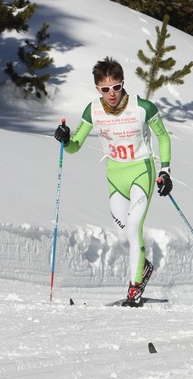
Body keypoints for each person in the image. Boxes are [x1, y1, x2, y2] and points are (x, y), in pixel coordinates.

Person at [54, 57, 173, 307]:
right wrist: (64, 140)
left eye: (116, 87)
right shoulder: (93, 110)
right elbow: (75, 146)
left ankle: (134, 289)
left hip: (142, 171)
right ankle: (143, 267)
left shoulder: (143, 108)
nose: (111, 94)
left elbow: (163, 138)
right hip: (115, 176)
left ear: (122, 84)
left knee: (133, 229)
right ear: (98, 88)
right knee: (122, 239)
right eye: (105, 89)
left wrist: (166, 171)